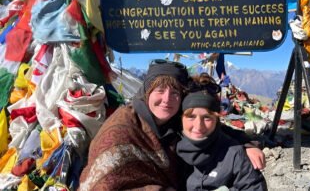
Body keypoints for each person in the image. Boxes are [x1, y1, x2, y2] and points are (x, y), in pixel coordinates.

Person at [79, 59, 265, 190]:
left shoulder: (174, 119)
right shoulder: (122, 129)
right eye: (159, 90)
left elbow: (212, 128)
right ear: (147, 93)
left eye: (175, 92)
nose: (167, 99)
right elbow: (107, 183)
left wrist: (246, 145)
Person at [177, 89, 267, 191]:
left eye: (207, 117)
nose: (198, 126)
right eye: (191, 117)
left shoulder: (234, 154)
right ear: (181, 119)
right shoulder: (172, 149)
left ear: (217, 121)